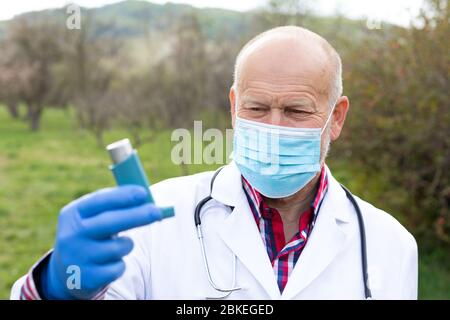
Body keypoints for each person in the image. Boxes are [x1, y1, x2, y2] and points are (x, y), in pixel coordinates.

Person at [11, 26, 417, 300]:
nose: (274, 128)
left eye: (296, 110)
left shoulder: (390, 245)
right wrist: (58, 285)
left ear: (337, 117)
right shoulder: (154, 223)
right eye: (257, 108)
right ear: (234, 106)